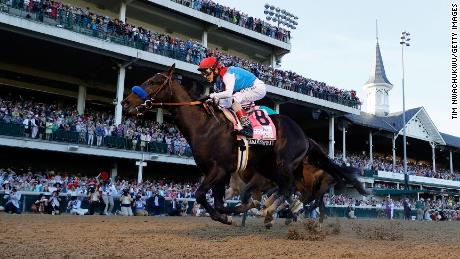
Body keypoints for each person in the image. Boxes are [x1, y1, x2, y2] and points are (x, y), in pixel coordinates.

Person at [197, 56, 267, 138]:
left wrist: (210, 95)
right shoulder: (218, 80)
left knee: (233, 99)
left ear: (215, 69)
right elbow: (220, 98)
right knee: (223, 103)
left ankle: (248, 128)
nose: (205, 76)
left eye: (207, 72)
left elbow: (228, 93)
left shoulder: (227, 74)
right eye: (203, 74)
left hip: (258, 88)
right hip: (248, 88)